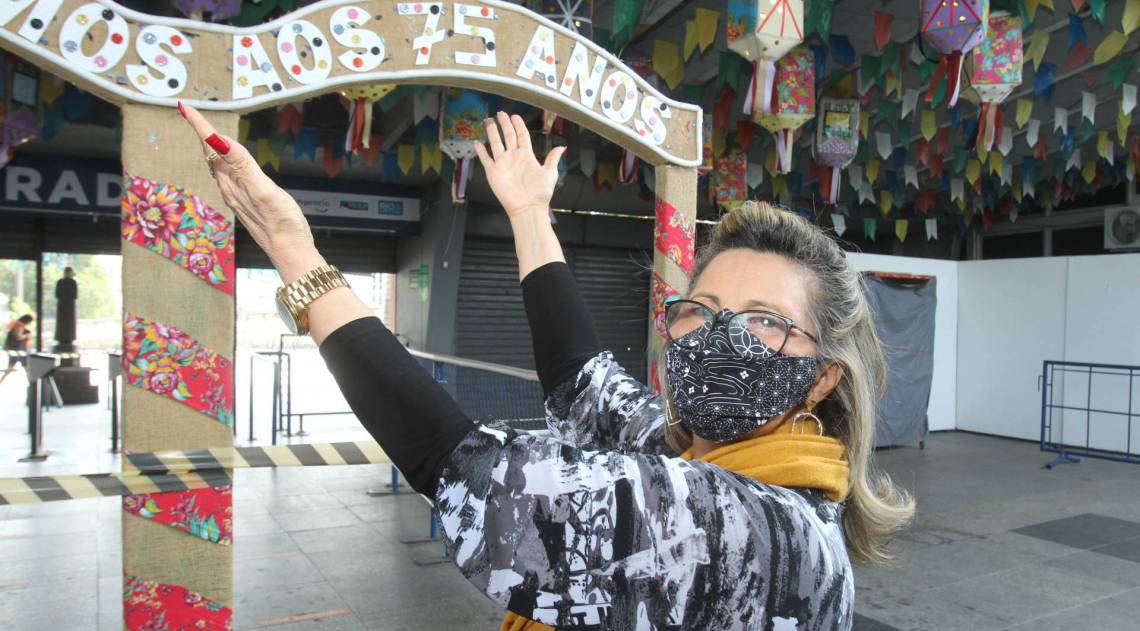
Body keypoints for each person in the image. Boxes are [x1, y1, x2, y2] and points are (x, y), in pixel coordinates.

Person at [178, 104, 914, 629]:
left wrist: (296, 254)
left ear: (823, 375)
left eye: (765, 321)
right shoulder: (698, 452)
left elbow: (482, 481)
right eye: (703, 309)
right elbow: (583, 379)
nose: (721, 339)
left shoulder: (769, 533)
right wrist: (530, 213)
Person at [1, 314, 34, 385]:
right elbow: (18, 336)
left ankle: (31, 383)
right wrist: (27, 335)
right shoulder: (19, 325)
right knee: (26, 367)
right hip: (19, 349)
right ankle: (32, 384)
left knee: (12, 367)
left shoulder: (15, 323)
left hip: (16, 349)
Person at [55, 266, 78, 349]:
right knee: (70, 323)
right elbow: (75, 295)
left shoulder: (59, 282)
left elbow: (57, 295)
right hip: (70, 306)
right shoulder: (73, 282)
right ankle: (69, 338)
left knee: (61, 323)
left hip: (61, 305)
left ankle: (61, 338)